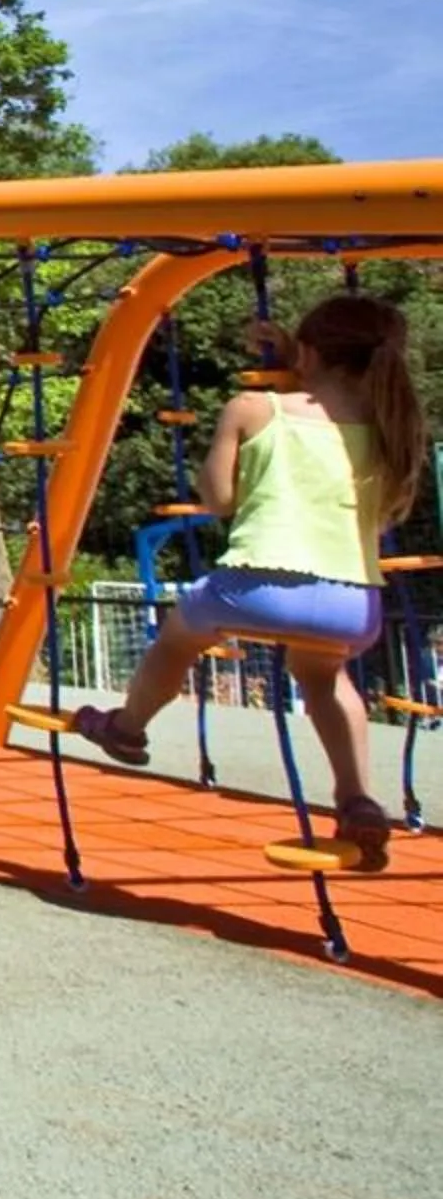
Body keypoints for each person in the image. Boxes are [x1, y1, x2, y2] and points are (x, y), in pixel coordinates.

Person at [75, 293, 430, 865]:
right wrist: (300, 356)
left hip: (256, 588)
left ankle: (127, 727)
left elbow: (218, 501)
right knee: (323, 674)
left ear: (311, 354)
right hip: (352, 602)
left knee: (180, 635)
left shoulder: (255, 409)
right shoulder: (392, 426)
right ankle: (357, 797)